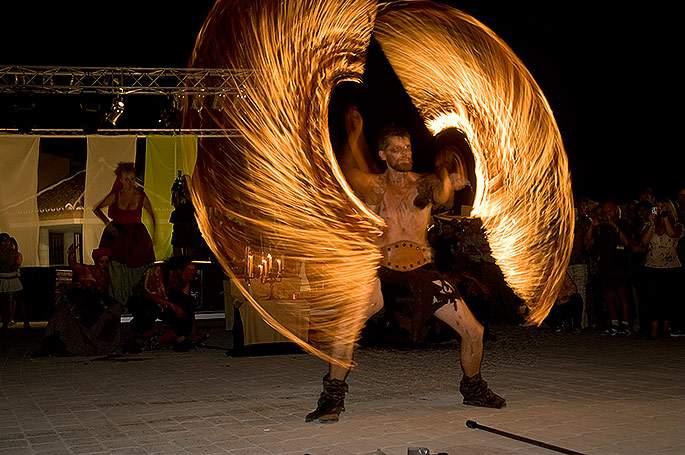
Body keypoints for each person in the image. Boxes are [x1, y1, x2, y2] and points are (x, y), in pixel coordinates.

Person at [305, 108, 505, 424]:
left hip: (422, 272)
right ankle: (332, 398)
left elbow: (439, 193)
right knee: (346, 330)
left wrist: (448, 175)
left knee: (474, 331)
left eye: (408, 147)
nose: (405, 154)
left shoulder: (421, 184)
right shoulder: (375, 187)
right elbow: (348, 171)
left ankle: (473, 388)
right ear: (383, 154)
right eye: (397, 149)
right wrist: (355, 137)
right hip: (381, 272)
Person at [36, 245, 121, 356]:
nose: (104, 264)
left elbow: (104, 291)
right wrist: (71, 254)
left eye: (106, 262)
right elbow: (74, 265)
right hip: (81, 298)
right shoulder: (87, 269)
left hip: (96, 300)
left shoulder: (107, 274)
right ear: (96, 261)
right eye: (101, 262)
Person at [93, 162, 156, 309]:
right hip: (117, 236)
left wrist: (154, 235)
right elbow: (97, 209)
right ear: (120, 180)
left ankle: (131, 303)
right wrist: (108, 224)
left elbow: (152, 215)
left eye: (132, 179)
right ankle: (118, 304)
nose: (130, 182)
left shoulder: (140, 195)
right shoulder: (116, 195)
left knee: (138, 270)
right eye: (126, 179)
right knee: (116, 269)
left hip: (136, 237)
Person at [126, 256, 198, 352]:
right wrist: (172, 306)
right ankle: (137, 338)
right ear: (179, 270)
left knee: (186, 306)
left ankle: (180, 337)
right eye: (189, 270)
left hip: (165, 302)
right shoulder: (157, 271)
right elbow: (149, 294)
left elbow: (185, 298)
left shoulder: (182, 279)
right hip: (144, 300)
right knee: (148, 310)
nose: (193, 273)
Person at [587, 201, 633, 336]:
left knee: (622, 295)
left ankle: (625, 324)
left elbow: (627, 243)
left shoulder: (623, 224)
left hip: (620, 266)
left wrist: (614, 226)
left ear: (616, 211)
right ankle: (614, 323)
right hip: (605, 266)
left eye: (610, 211)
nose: (607, 214)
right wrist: (592, 226)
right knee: (608, 295)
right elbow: (588, 244)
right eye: (605, 212)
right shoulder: (600, 227)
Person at [640, 200, 683, 338]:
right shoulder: (649, 225)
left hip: (671, 267)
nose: (659, 210)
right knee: (653, 299)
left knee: (668, 299)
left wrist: (665, 217)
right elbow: (644, 242)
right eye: (657, 208)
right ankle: (654, 327)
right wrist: (652, 223)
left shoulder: (678, 225)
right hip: (652, 266)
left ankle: (666, 328)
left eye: (663, 208)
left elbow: (672, 234)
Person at [0, 234, 26, 335]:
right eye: (3, 241)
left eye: (6, 241)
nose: (5, 243)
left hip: (13, 278)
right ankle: (6, 322)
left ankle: (25, 321)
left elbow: (16, 263)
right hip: (3, 279)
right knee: (3, 302)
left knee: (19, 300)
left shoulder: (15, 254)